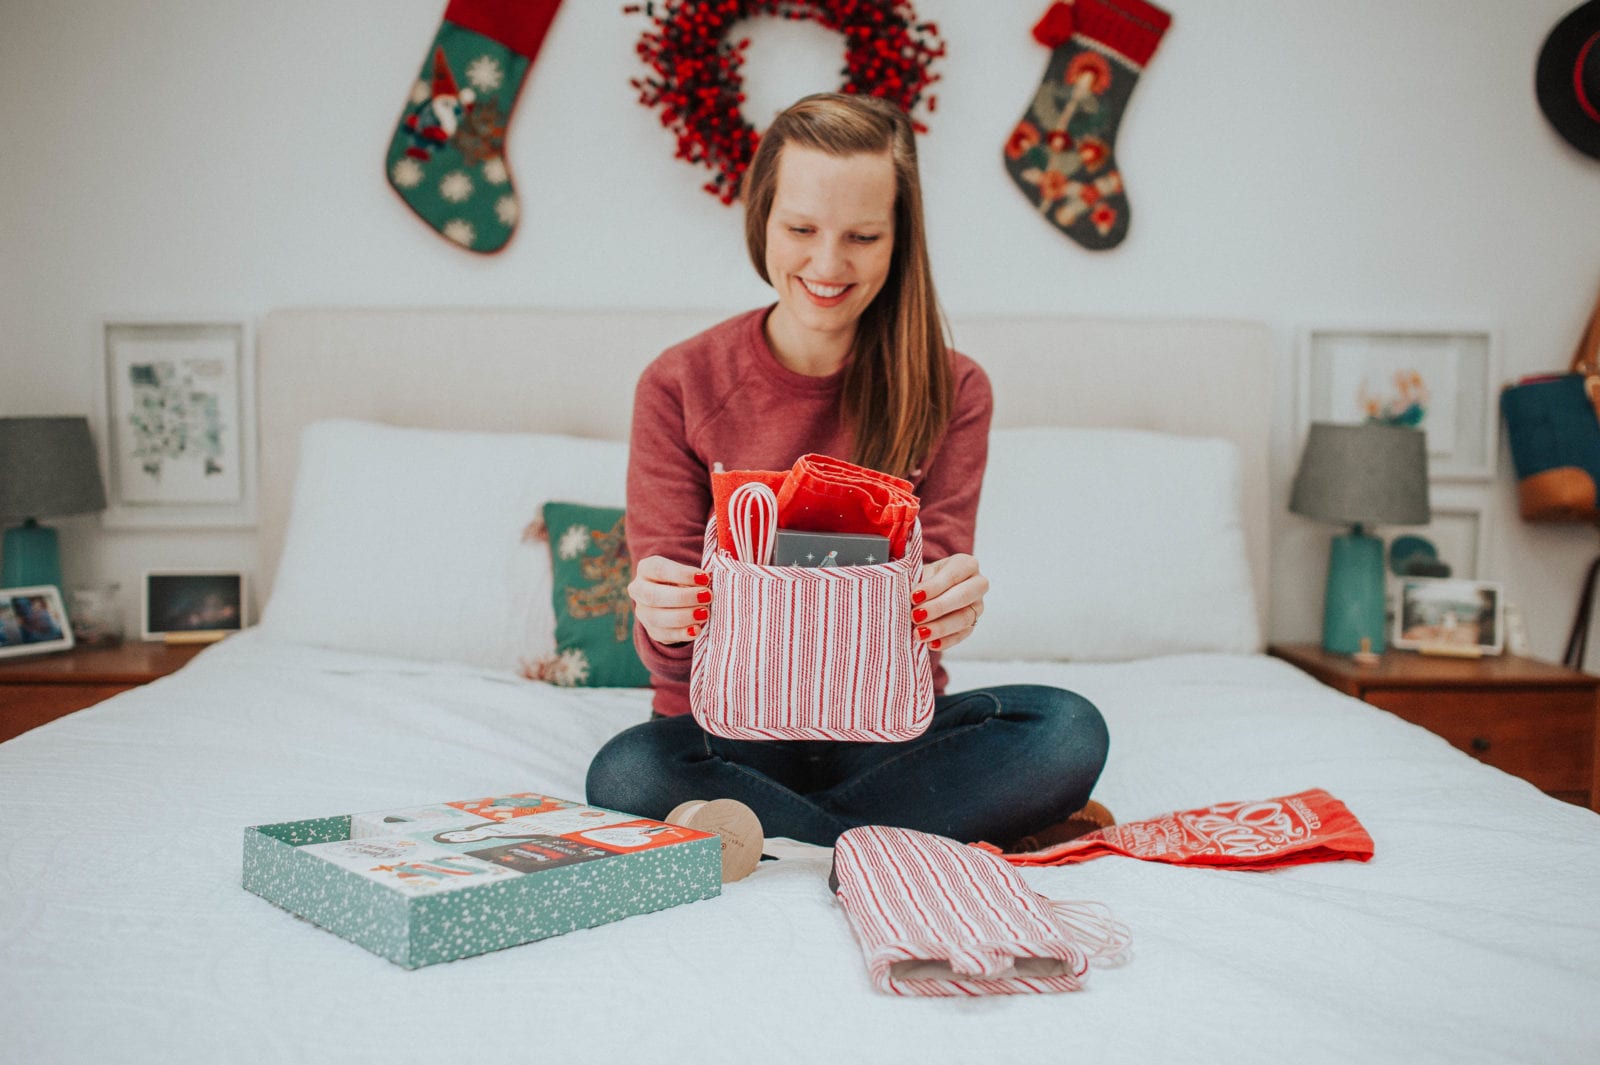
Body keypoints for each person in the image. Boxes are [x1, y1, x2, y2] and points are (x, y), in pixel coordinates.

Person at [585, 92, 1110, 849]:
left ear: (899, 238)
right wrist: (664, 617)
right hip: (727, 729)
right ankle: (934, 826)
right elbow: (670, 648)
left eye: (862, 235)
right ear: (761, 219)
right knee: (626, 771)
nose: (827, 265)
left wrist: (946, 605)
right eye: (800, 228)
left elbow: (927, 608)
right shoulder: (679, 383)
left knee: (1067, 728)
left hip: (884, 726)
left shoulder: (955, 389)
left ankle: (770, 833)